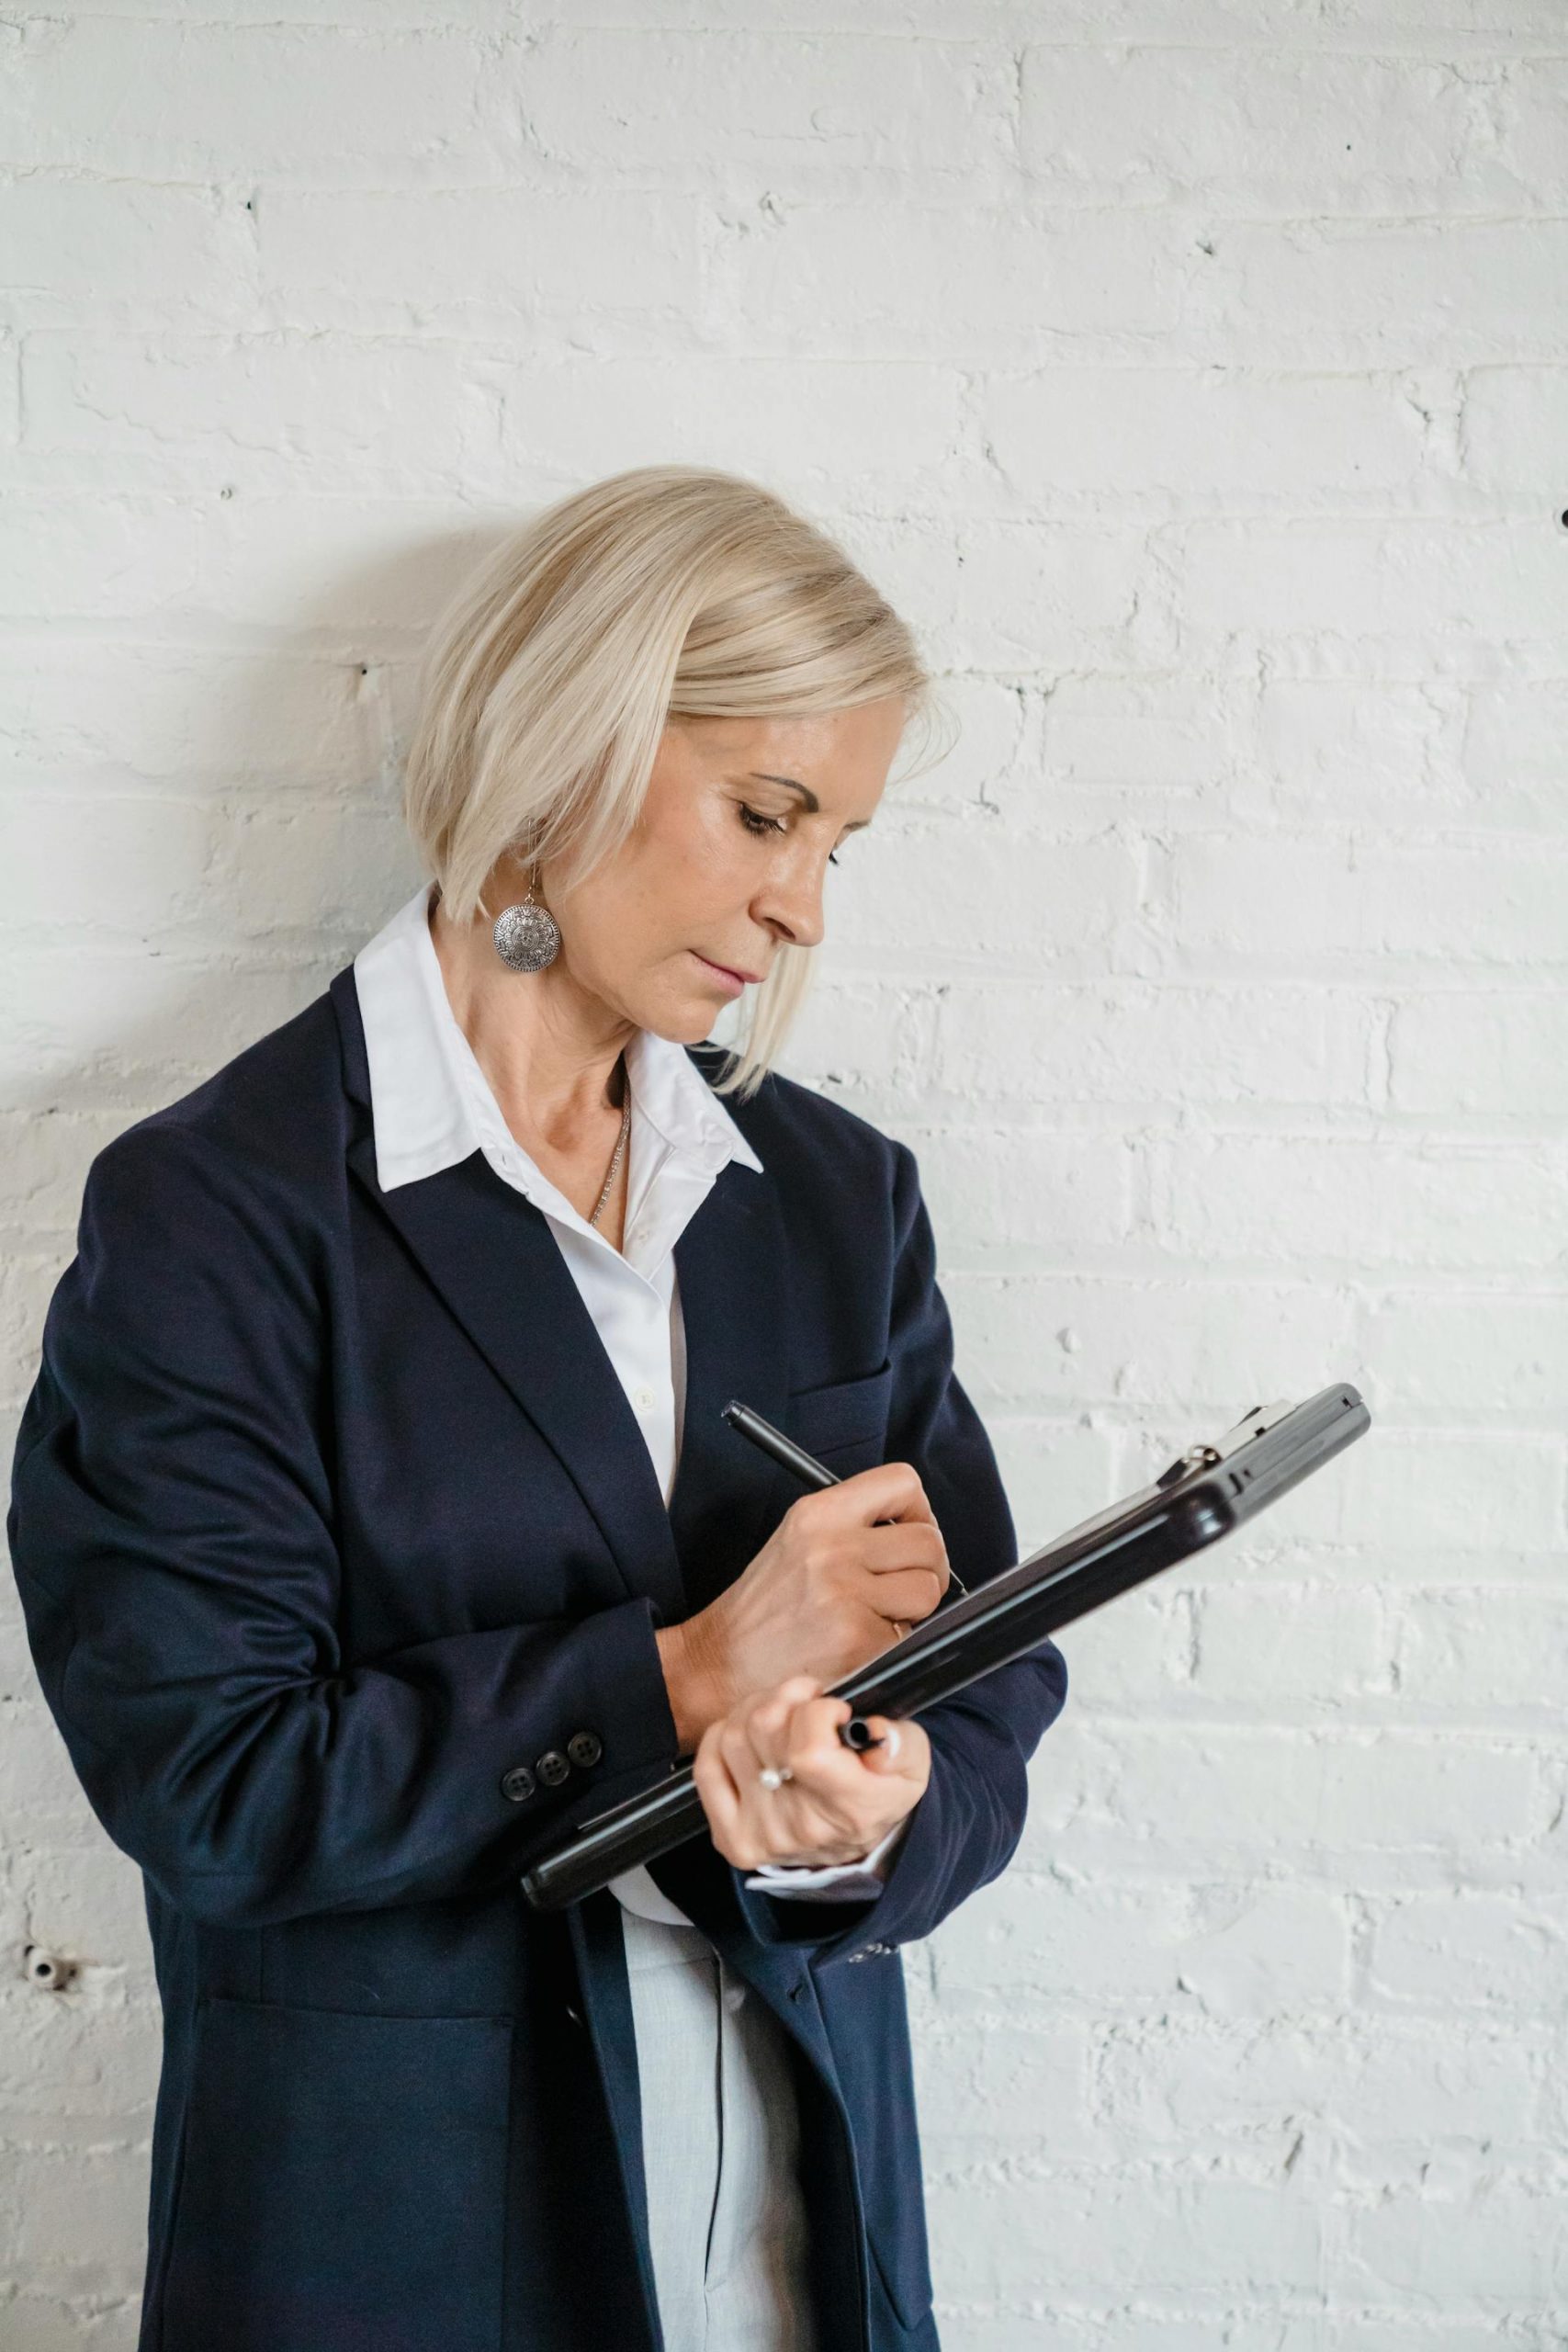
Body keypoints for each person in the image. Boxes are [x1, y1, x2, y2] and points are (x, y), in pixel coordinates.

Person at [7, 464, 1069, 2352]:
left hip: (799, 2251)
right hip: (389, 2257)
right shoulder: (220, 1213)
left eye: (835, 841)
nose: (798, 901)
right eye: (764, 812)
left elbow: (985, 1669)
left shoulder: (829, 1200)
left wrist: (870, 1809)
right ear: (569, 741)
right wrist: (678, 1671)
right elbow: (216, 1785)